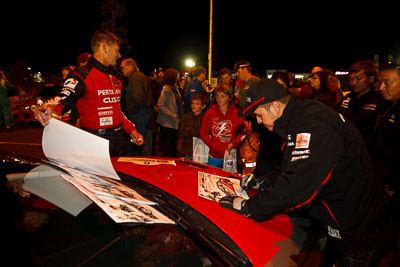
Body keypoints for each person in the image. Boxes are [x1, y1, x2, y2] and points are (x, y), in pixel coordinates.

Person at [219, 78, 398, 266]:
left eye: (258, 115)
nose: (258, 121)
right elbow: (292, 165)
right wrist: (264, 181)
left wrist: (250, 208)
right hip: (339, 222)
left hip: (358, 232)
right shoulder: (300, 117)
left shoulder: (313, 125)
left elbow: (299, 186)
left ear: (275, 107)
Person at [34, 29, 143, 157]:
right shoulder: (81, 75)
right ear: (104, 48)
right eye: (117, 50)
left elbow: (116, 111)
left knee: (121, 176)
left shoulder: (116, 78)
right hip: (96, 140)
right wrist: (49, 106)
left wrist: (131, 130)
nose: (119, 55)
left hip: (120, 140)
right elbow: (65, 96)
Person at [338, 60, 385, 150]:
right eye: (351, 79)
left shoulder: (380, 101)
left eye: (359, 78)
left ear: (371, 79)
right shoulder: (346, 99)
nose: (354, 83)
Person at [200, 83, 244, 168]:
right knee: (211, 178)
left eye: (223, 96)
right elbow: (203, 133)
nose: (219, 99)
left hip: (230, 154)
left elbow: (243, 133)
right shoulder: (209, 113)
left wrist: (233, 144)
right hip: (213, 154)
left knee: (229, 179)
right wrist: (212, 144)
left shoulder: (237, 114)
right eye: (217, 96)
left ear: (230, 97)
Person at [373, 62, 400, 199]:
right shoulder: (386, 107)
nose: (381, 87)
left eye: (387, 83)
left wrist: (393, 183)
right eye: (380, 82)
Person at [120, 58, 154, 156]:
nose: (121, 70)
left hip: (140, 114)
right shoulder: (139, 76)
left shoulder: (135, 77)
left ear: (130, 66)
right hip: (143, 113)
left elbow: (138, 98)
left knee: (139, 143)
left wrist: (131, 111)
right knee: (144, 142)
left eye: (122, 68)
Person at [157, 68, 183, 157]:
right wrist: (171, 114)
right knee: (169, 148)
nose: (178, 77)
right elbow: (160, 105)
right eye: (177, 75)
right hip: (168, 123)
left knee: (173, 146)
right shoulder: (166, 89)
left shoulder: (175, 88)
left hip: (174, 121)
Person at [177, 93, 207, 160]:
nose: (194, 105)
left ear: (203, 106)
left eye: (197, 104)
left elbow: (204, 134)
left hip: (202, 151)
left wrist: (190, 130)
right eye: (192, 103)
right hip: (188, 151)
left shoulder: (206, 118)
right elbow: (181, 134)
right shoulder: (186, 117)